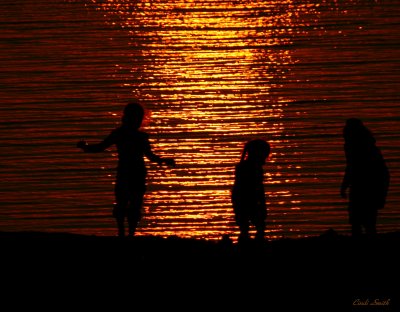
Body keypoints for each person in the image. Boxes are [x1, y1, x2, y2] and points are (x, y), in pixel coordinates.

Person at [77, 102, 175, 237]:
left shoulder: (122, 134)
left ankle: (124, 233)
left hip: (126, 172)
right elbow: (151, 157)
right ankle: (128, 233)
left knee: (125, 203)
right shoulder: (138, 137)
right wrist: (164, 160)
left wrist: (85, 147)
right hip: (135, 173)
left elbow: (99, 147)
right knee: (131, 203)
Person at [340, 118, 390, 238]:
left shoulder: (365, 148)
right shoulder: (356, 146)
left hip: (368, 187)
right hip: (360, 187)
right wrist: (344, 185)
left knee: (365, 223)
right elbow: (351, 167)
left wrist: (381, 193)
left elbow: (353, 167)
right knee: (359, 222)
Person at [231, 139, 271, 243]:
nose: (266, 158)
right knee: (258, 227)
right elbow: (258, 189)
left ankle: (246, 244)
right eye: (265, 154)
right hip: (247, 200)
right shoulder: (254, 169)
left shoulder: (242, 167)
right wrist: (262, 204)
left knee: (245, 228)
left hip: (240, 200)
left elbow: (237, 189)